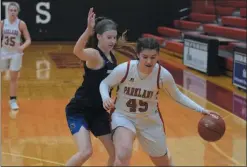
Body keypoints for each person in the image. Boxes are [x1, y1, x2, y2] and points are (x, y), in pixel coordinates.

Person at [99, 37, 218, 166]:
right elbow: (105, 83)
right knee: (123, 154)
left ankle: (166, 155)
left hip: (149, 121)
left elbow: (178, 96)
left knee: (163, 163)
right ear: (138, 55)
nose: (149, 61)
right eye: (145, 57)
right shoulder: (125, 69)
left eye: (153, 57)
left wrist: (202, 109)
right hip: (124, 116)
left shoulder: (163, 75)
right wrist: (105, 97)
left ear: (158, 56)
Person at [65, 8, 118, 166]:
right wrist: (88, 30)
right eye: (109, 37)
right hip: (79, 110)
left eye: (114, 37)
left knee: (116, 155)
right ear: (99, 36)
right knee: (86, 152)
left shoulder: (112, 57)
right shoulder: (95, 55)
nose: (112, 41)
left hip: (99, 112)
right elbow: (77, 51)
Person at [0, 2, 31, 110]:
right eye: (11, 10)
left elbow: (28, 40)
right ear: (8, 11)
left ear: (17, 12)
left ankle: (12, 100)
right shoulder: (3, 23)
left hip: (16, 53)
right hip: (3, 52)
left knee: (13, 78)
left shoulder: (21, 24)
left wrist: (22, 47)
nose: (13, 12)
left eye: (15, 10)